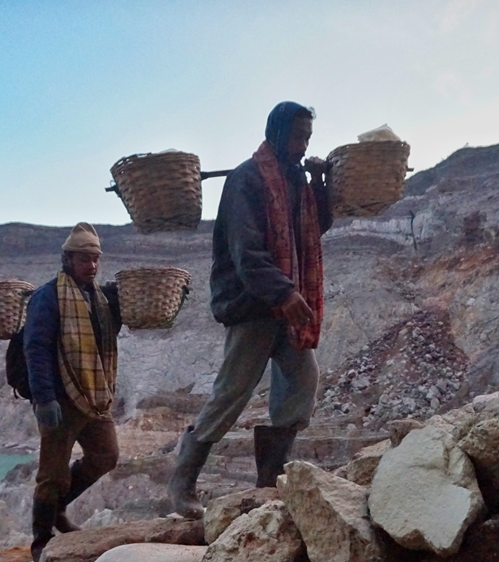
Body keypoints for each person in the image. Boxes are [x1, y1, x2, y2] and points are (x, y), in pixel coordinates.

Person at [167, 101, 333, 519]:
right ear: (277, 133)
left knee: (302, 383)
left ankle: (269, 481)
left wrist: (320, 182)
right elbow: (247, 252)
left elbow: (313, 228)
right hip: (254, 305)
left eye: (308, 137)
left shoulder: (294, 179)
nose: (303, 144)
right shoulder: (247, 179)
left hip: (282, 302)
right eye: (298, 136)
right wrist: (283, 293)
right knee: (231, 392)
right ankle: (183, 479)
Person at [24, 222, 122, 561]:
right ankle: (40, 540)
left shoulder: (100, 298)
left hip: (93, 396)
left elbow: (105, 337)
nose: (92, 266)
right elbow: (35, 348)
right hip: (61, 397)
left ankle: (59, 509)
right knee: (52, 472)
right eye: (84, 259)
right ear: (68, 260)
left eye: (95, 259)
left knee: (105, 456)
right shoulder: (47, 296)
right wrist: (44, 398)